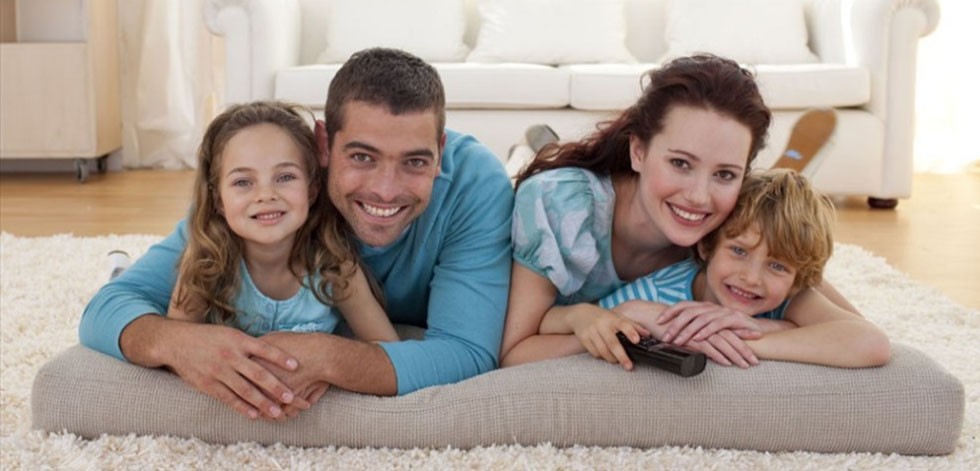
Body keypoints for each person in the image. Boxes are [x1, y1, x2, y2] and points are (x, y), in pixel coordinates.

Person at [79, 48, 514, 421]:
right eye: (362, 157)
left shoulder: (475, 184)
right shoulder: (269, 188)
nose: (385, 190)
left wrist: (327, 357)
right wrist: (179, 344)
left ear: (440, 150)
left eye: (415, 162)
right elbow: (110, 307)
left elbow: (467, 351)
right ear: (323, 145)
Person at [500, 54, 858, 370]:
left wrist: (761, 327)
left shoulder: (728, 221)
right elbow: (514, 353)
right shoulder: (557, 205)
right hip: (562, 184)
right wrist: (615, 321)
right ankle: (535, 144)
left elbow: (855, 328)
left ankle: (780, 179)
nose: (699, 197)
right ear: (638, 151)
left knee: (771, 209)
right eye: (680, 163)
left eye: (725, 174)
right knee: (542, 157)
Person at [590, 169, 891, 368]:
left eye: (777, 265)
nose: (751, 278)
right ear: (707, 246)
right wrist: (631, 313)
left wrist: (751, 337)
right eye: (738, 251)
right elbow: (584, 334)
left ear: (797, 281)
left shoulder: (789, 296)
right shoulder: (652, 296)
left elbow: (872, 342)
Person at [165, 101, 397, 349]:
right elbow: (176, 345)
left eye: (285, 177)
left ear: (312, 189)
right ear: (218, 200)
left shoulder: (337, 269)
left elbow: (388, 349)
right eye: (243, 182)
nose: (266, 195)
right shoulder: (204, 265)